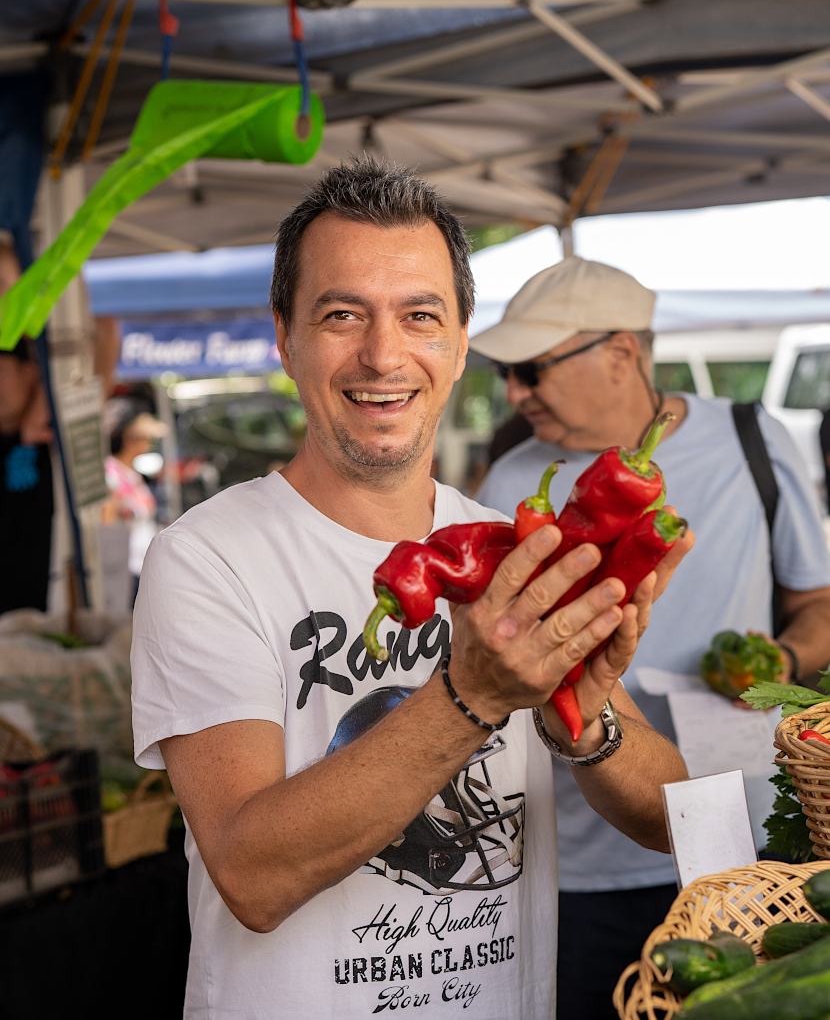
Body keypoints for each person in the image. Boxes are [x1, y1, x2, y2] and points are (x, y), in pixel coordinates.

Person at [129, 159, 691, 1020]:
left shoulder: (513, 543)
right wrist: (473, 696)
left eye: (419, 316)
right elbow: (251, 874)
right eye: (341, 314)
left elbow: (664, 818)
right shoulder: (205, 558)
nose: (383, 354)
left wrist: (587, 706)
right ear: (285, 338)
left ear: (462, 343)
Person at [472, 256, 830, 1020]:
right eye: (508, 372)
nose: (514, 392)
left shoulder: (752, 439)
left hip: (749, 841)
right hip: (581, 857)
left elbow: (821, 602)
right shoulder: (508, 484)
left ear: (623, 353)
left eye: (532, 368)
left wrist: (779, 665)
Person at [0, 335, 54, 615]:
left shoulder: (50, 435)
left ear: (30, 372)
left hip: (45, 613)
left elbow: (106, 331)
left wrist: (43, 401)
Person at [103, 409, 167, 593]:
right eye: (144, 438)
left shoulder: (132, 473)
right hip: (126, 567)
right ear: (128, 439)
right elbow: (107, 521)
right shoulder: (111, 473)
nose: (149, 443)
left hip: (142, 565)